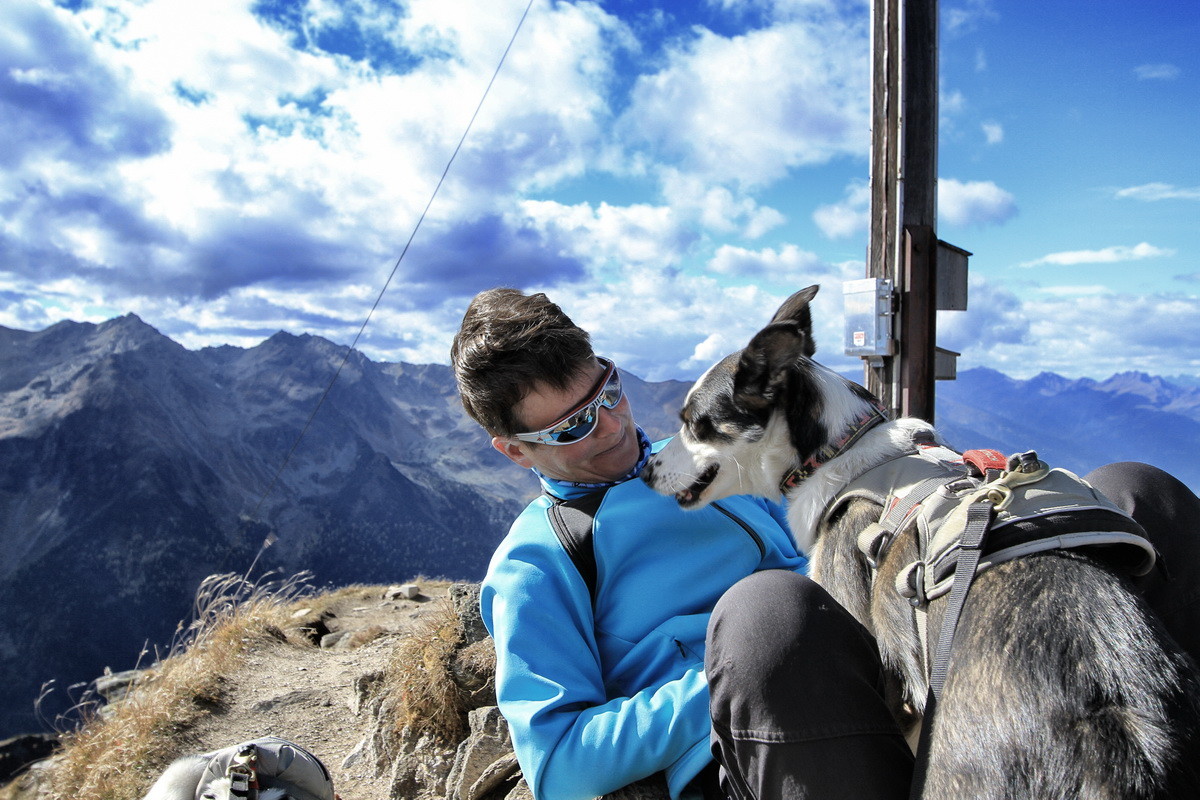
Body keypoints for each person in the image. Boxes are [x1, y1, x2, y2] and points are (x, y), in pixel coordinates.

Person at [450, 287, 1200, 800]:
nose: (613, 426)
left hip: (884, 654)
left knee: (1137, 495)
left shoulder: (714, 468)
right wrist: (716, 684)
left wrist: (940, 492)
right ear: (514, 451)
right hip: (774, 730)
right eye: (573, 426)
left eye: (606, 390)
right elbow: (559, 763)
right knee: (768, 613)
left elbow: (838, 519)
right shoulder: (540, 561)